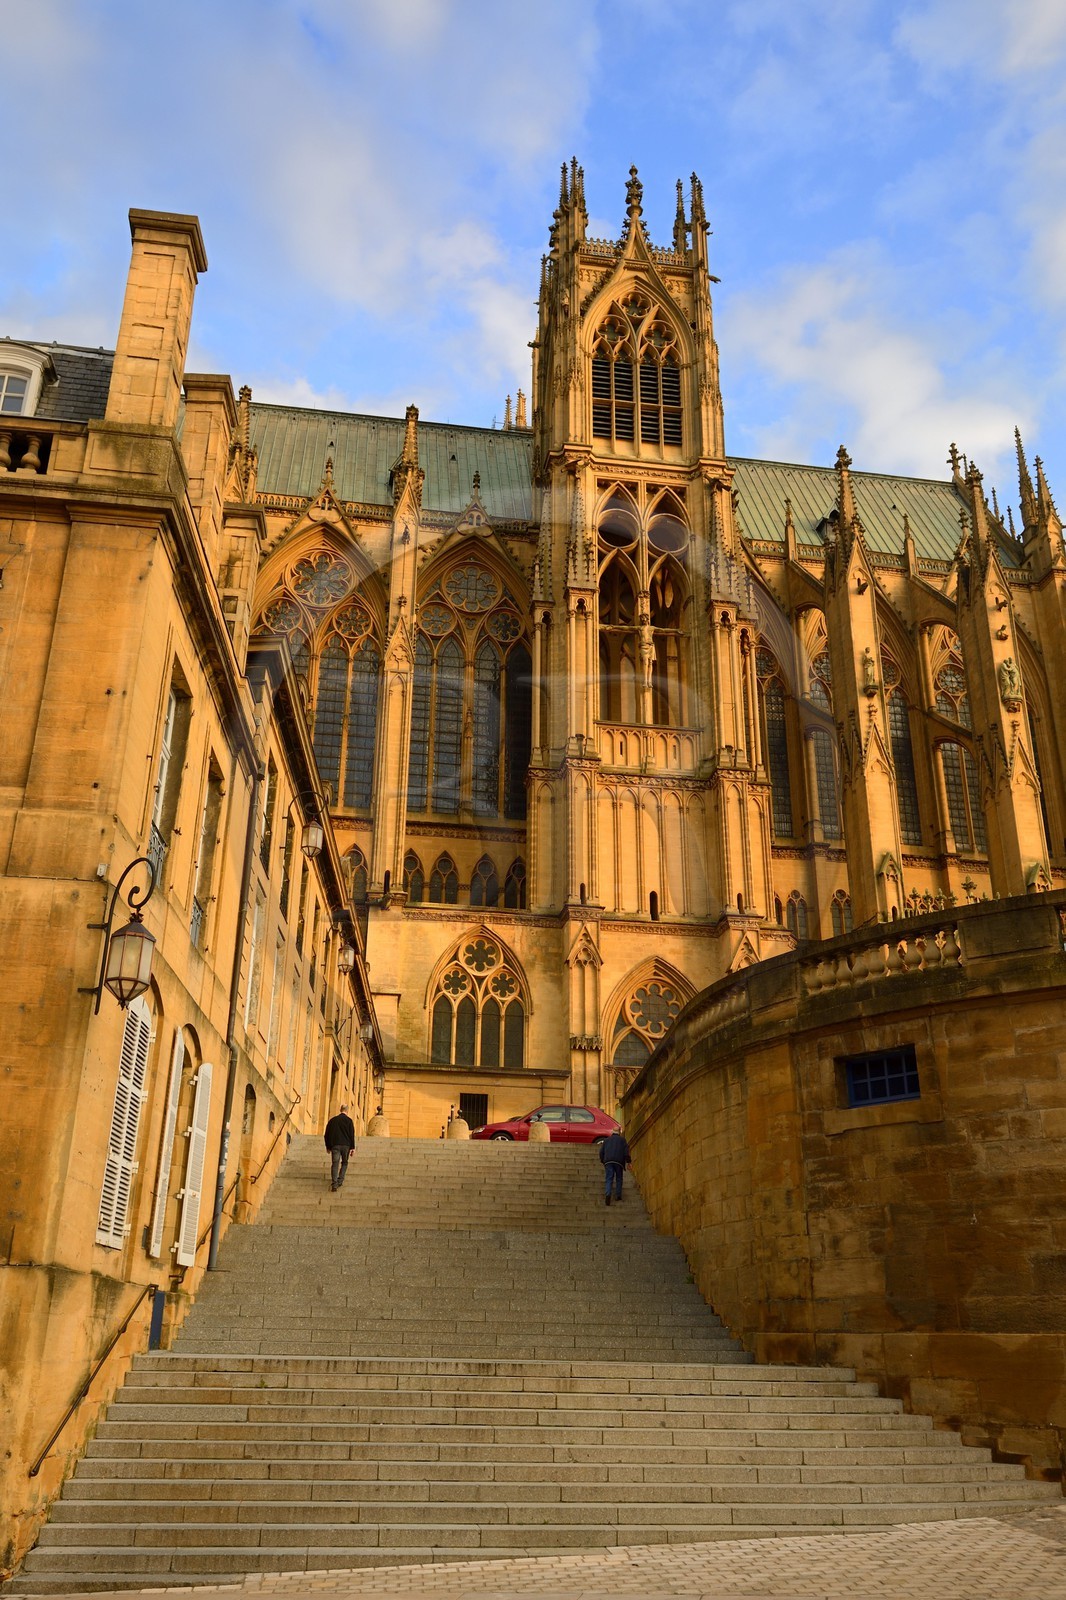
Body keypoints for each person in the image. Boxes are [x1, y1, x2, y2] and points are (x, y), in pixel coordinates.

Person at [323, 1105, 356, 1191]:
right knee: (344, 1163)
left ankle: (334, 1184)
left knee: (335, 1163)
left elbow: (326, 1134)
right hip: (346, 1146)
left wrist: (328, 1146)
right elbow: (351, 1134)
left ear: (340, 1109)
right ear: (347, 1111)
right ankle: (340, 1180)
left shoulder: (332, 1120)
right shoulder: (349, 1121)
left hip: (335, 1145)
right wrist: (352, 1147)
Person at [599, 1127, 631, 1206]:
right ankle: (618, 1195)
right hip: (619, 1162)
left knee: (609, 1178)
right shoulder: (622, 1140)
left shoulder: (606, 1140)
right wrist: (629, 1162)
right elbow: (626, 1153)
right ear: (619, 1132)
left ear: (612, 1132)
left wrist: (603, 1160)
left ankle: (608, 1194)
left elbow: (601, 1152)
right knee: (619, 1178)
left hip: (608, 1161)